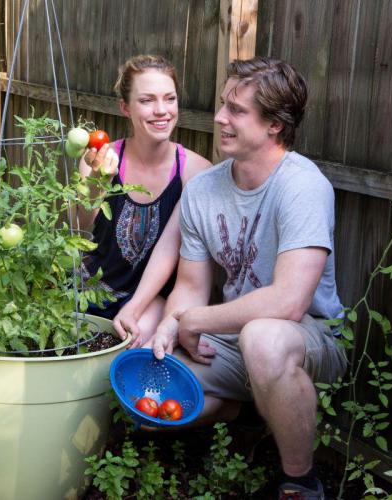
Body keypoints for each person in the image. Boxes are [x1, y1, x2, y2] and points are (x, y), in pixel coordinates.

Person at [148, 57, 348, 500]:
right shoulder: (204, 190)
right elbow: (191, 286)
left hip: (308, 337)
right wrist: (170, 322)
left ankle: (300, 481)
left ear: (275, 124)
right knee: (149, 393)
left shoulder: (302, 187)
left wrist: (196, 320)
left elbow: (290, 302)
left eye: (236, 110)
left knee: (264, 339)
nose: (219, 117)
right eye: (223, 104)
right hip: (231, 339)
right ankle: (242, 410)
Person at [75, 55, 210, 348]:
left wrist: (136, 306)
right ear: (125, 107)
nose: (161, 110)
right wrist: (98, 183)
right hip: (87, 293)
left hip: (152, 301)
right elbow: (81, 230)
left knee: (127, 348)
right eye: (147, 100)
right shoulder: (100, 157)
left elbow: (175, 251)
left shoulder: (195, 172)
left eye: (169, 98)